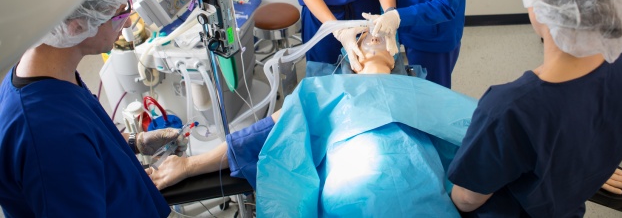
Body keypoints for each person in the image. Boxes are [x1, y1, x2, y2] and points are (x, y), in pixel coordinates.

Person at [148, 31, 477, 217]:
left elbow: (476, 135)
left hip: (421, 196)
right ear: (351, 57)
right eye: (363, 35)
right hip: (354, 200)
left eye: (382, 35)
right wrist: (188, 165)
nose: (374, 34)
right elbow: (256, 138)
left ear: (394, 56)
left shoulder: (422, 91)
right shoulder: (323, 90)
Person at [447, 0, 622, 217]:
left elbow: (466, 199)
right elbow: (599, 133)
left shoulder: (510, 109)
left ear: (541, 2)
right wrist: (588, 171)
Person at [0, 0, 184, 217]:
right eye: (120, 13)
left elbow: (85, 145)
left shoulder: (47, 75)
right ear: (77, 26)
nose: (129, 20)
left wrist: (134, 143)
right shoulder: (48, 136)